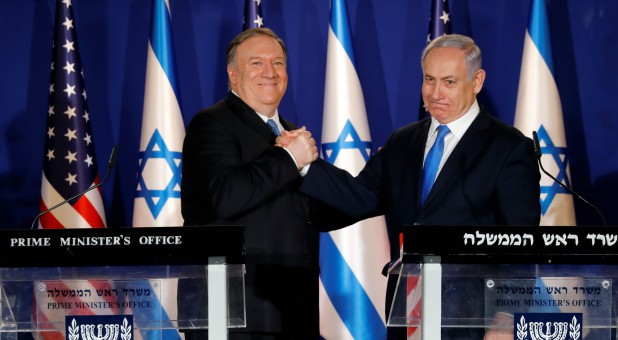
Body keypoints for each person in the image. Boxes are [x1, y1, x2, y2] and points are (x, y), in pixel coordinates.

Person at [280, 34, 541, 338]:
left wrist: (506, 316)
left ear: (477, 81)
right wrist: (305, 163)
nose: (435, 93)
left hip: (472, 317)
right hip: (409, 308)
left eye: (449, 82)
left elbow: (520, 240)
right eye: (429, 80)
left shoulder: (507, 148)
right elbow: (358, 198)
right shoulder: (403, 141)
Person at [180, 27, 334, 339]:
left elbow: (324, 212)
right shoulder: (211, 124)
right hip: (233, 317)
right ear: (232, 74)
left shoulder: (292, 135)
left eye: (278, 63)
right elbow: (226, 196)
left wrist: (386, 178)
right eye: (256, 63)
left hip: (295, 317)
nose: (270, 72)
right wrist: (288, 159)